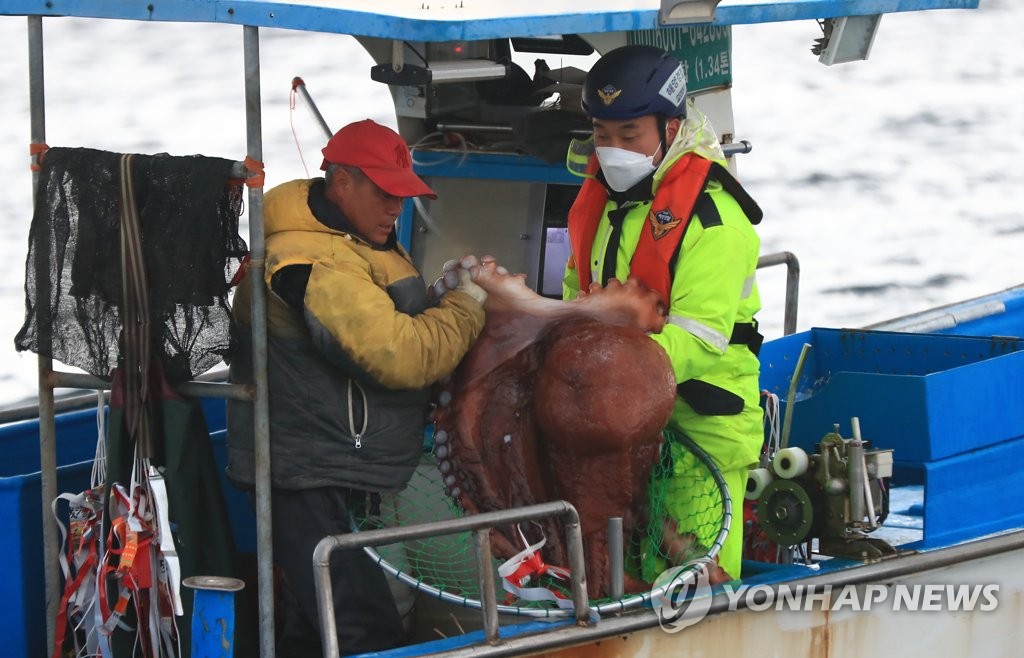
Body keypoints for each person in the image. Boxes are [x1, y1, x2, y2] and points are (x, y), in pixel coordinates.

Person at [226, 119, 487, 656]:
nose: (396, 207)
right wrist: (467, 304)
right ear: (340, 182)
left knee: (312, 621)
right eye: (385, 193)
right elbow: (400, 354)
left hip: (342, 467)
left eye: (404, 194)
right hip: (310, 471)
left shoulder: (360, 240)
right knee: (362, 628)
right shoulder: (312, 260)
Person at [562, 45, 764, 583]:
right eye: (603, 135)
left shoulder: (715, 218)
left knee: (696, 586)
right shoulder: (603, 206)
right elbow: (573, 296)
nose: (613, 151)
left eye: (630, 137)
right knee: (618, 580)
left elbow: (698, 338)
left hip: (702, 422)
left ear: (671, 130)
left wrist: (608, 377)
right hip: (622, 423)